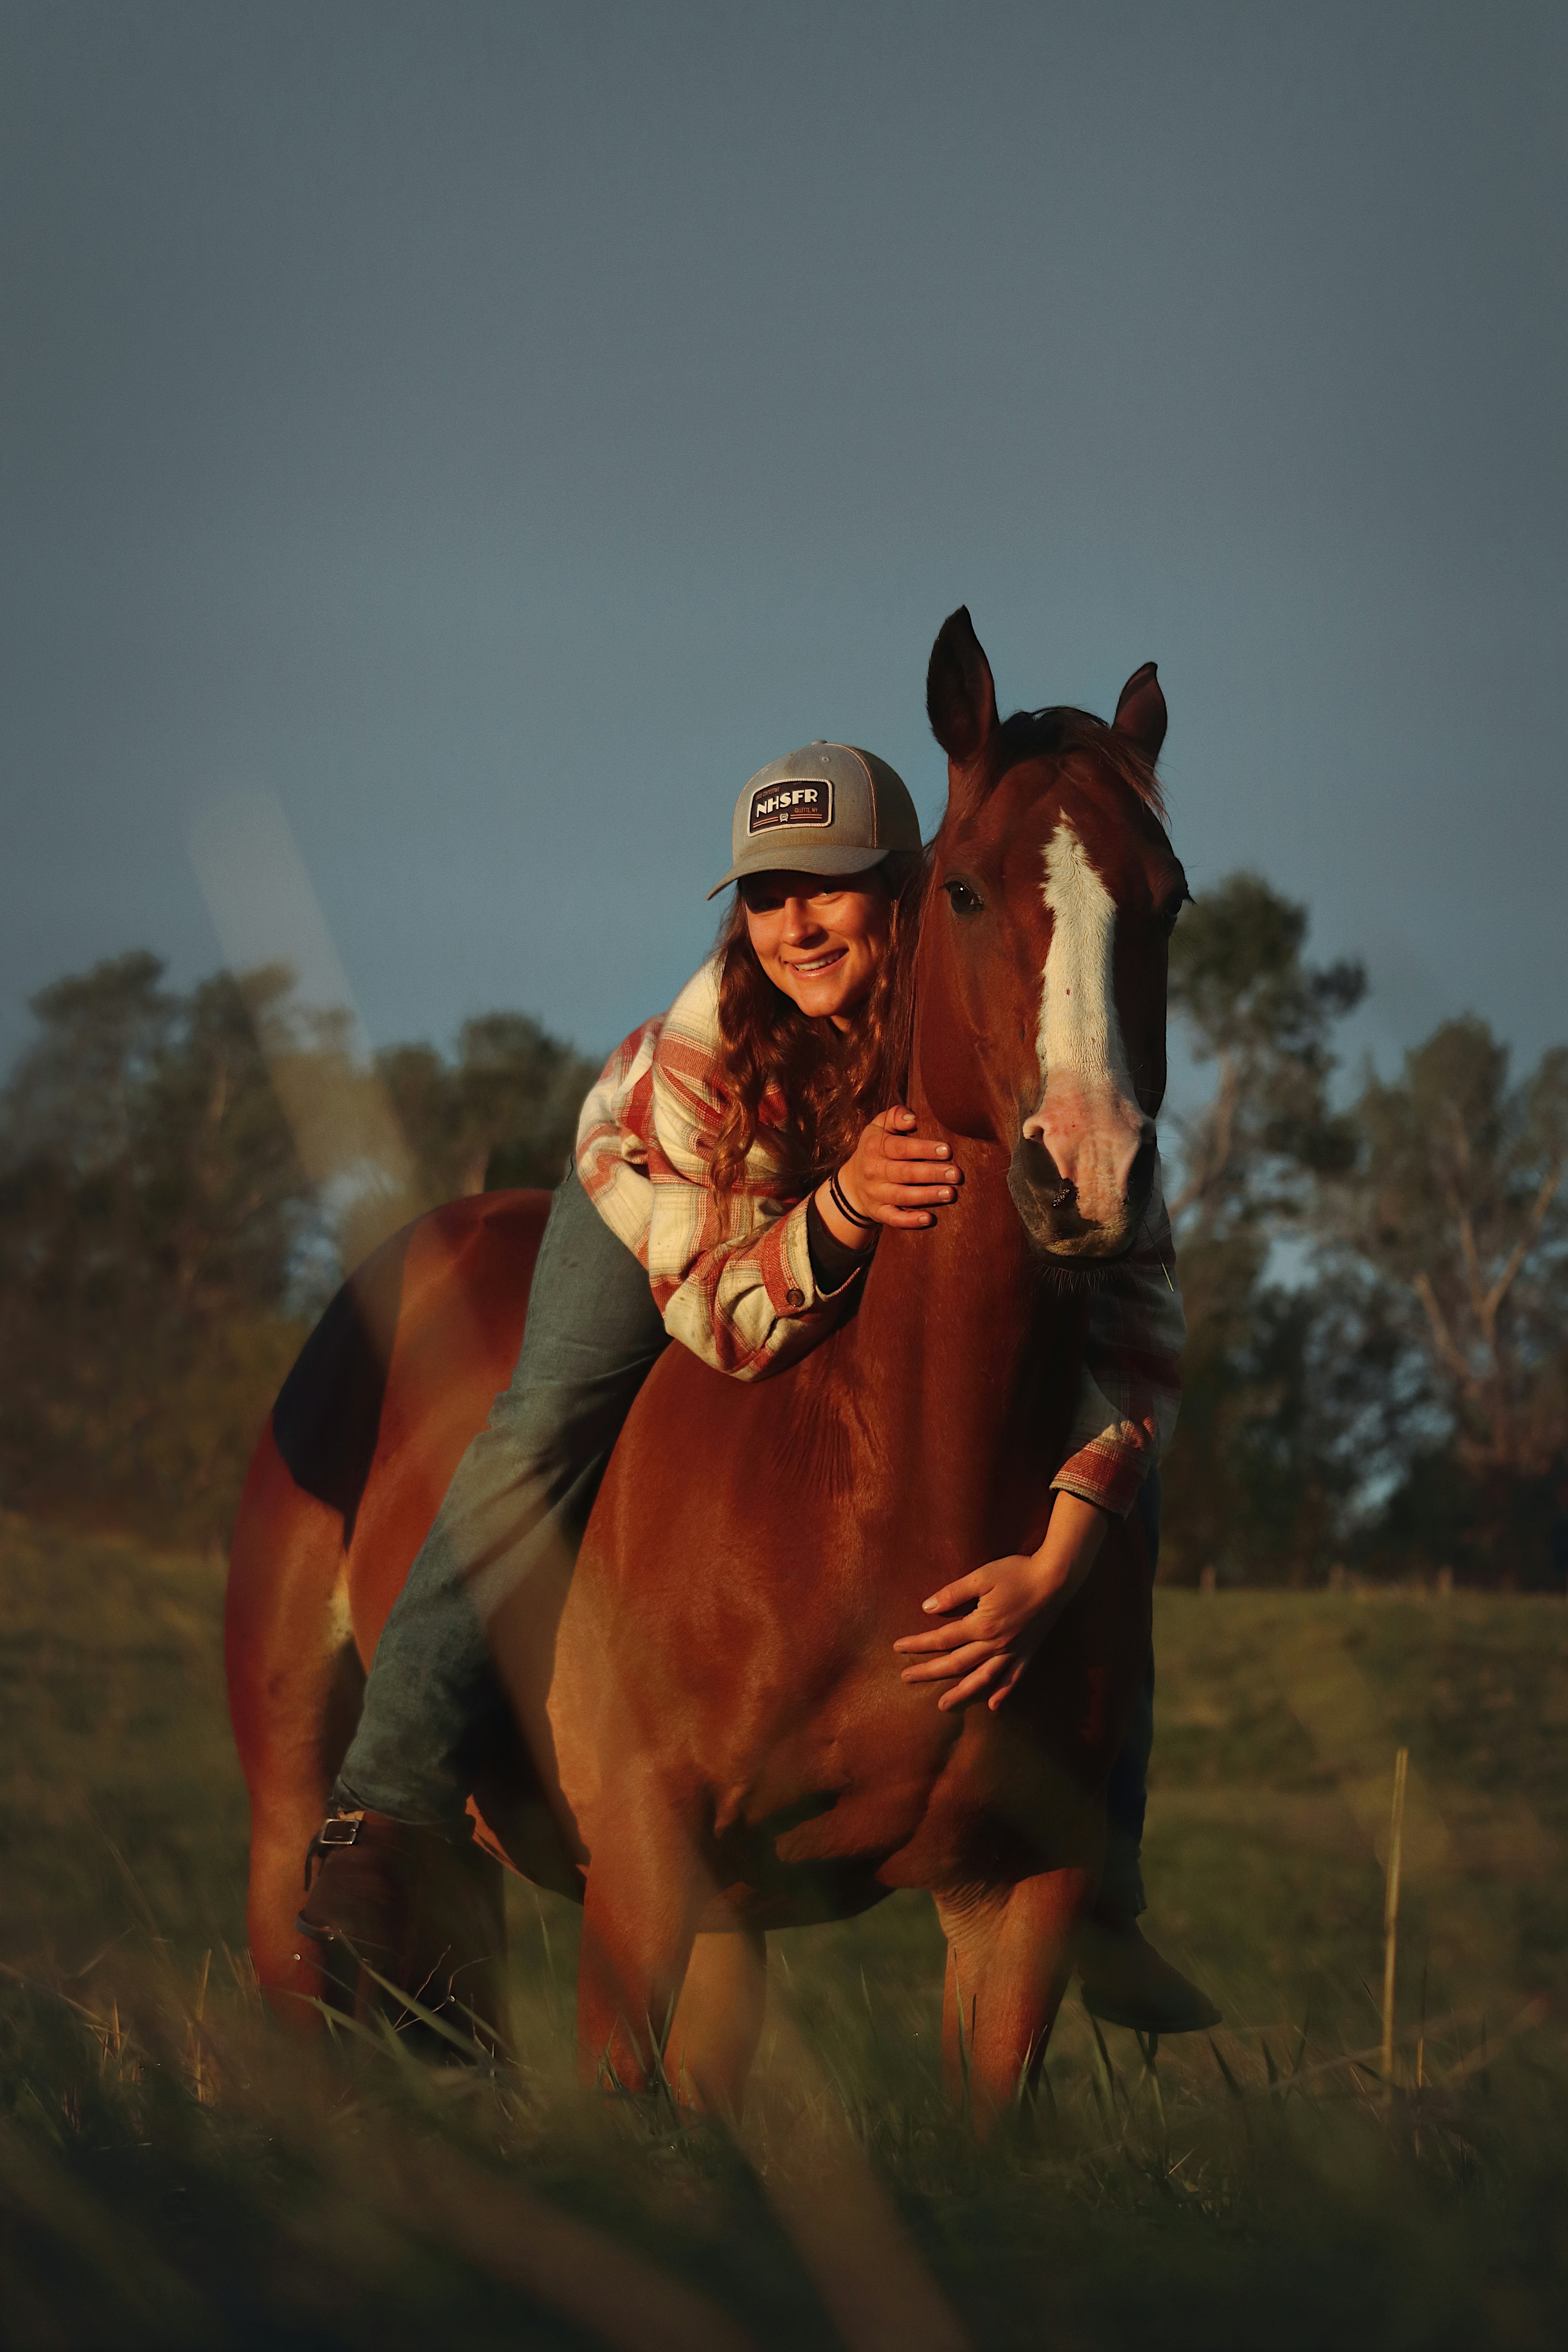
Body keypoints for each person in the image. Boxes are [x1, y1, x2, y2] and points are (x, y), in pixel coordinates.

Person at [298, 741, 1217, 2034]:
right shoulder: (705, 1058)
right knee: (542, 1420)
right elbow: (721, 1322)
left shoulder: (985, 1000)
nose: (796, 921)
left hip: (825, 1221)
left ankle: (1105, 1877)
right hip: (676, 1214)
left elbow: (1139, 1332)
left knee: (1123, 1464)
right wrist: (840, 1211)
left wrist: (1059, 1561)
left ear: (908, 888)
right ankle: (383, 1811)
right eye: (766, 894)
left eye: (830, 888)